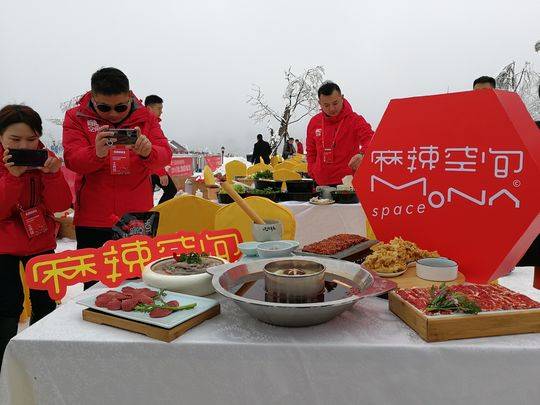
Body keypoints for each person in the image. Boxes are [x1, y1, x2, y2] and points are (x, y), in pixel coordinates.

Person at [62, 68, 172, 288]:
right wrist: (97, 153)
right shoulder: (76, 117)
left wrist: (148, 151)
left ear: (129, 96)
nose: (113, 114)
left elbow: (164, 155)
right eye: (104, 107)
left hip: (135, 218)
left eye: (120, 107)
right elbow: (72, 159)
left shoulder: (146, 118)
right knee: (93, 288)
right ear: (93, 98)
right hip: (92, 218)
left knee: (137, 285)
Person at [0, 105, 72, 368]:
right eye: (15, 140)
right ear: (1, 137)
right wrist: (12, 177)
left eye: (32, 139)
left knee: (45, 300)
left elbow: (60, 205)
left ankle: (38, 358)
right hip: (3, 248)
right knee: (8, 306)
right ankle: (5, 365)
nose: (25, 146)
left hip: (40, 242)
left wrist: (53, 176)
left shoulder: (47, 159)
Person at [307, 81, 374, 184]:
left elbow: (372, 139)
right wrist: (313, 171)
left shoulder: (355, 120)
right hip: (321, 184)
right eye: (326, 105)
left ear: (342, 98)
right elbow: (311, 152)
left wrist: (362, 154)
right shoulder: (314, 122)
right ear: (320, 103)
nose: (332, 109)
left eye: (335, 103)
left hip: (348, 185)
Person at [144, 95, 177, 205]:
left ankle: (156, 215)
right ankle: (159, 215)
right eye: (159, 108)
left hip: (152, 169)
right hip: (152, 169)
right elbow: (151, 150)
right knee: (171, 191)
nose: (161, 112)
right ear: (149, 108)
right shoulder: (146, 124)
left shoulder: (153, 123)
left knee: (148, 199)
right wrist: (160, 172)